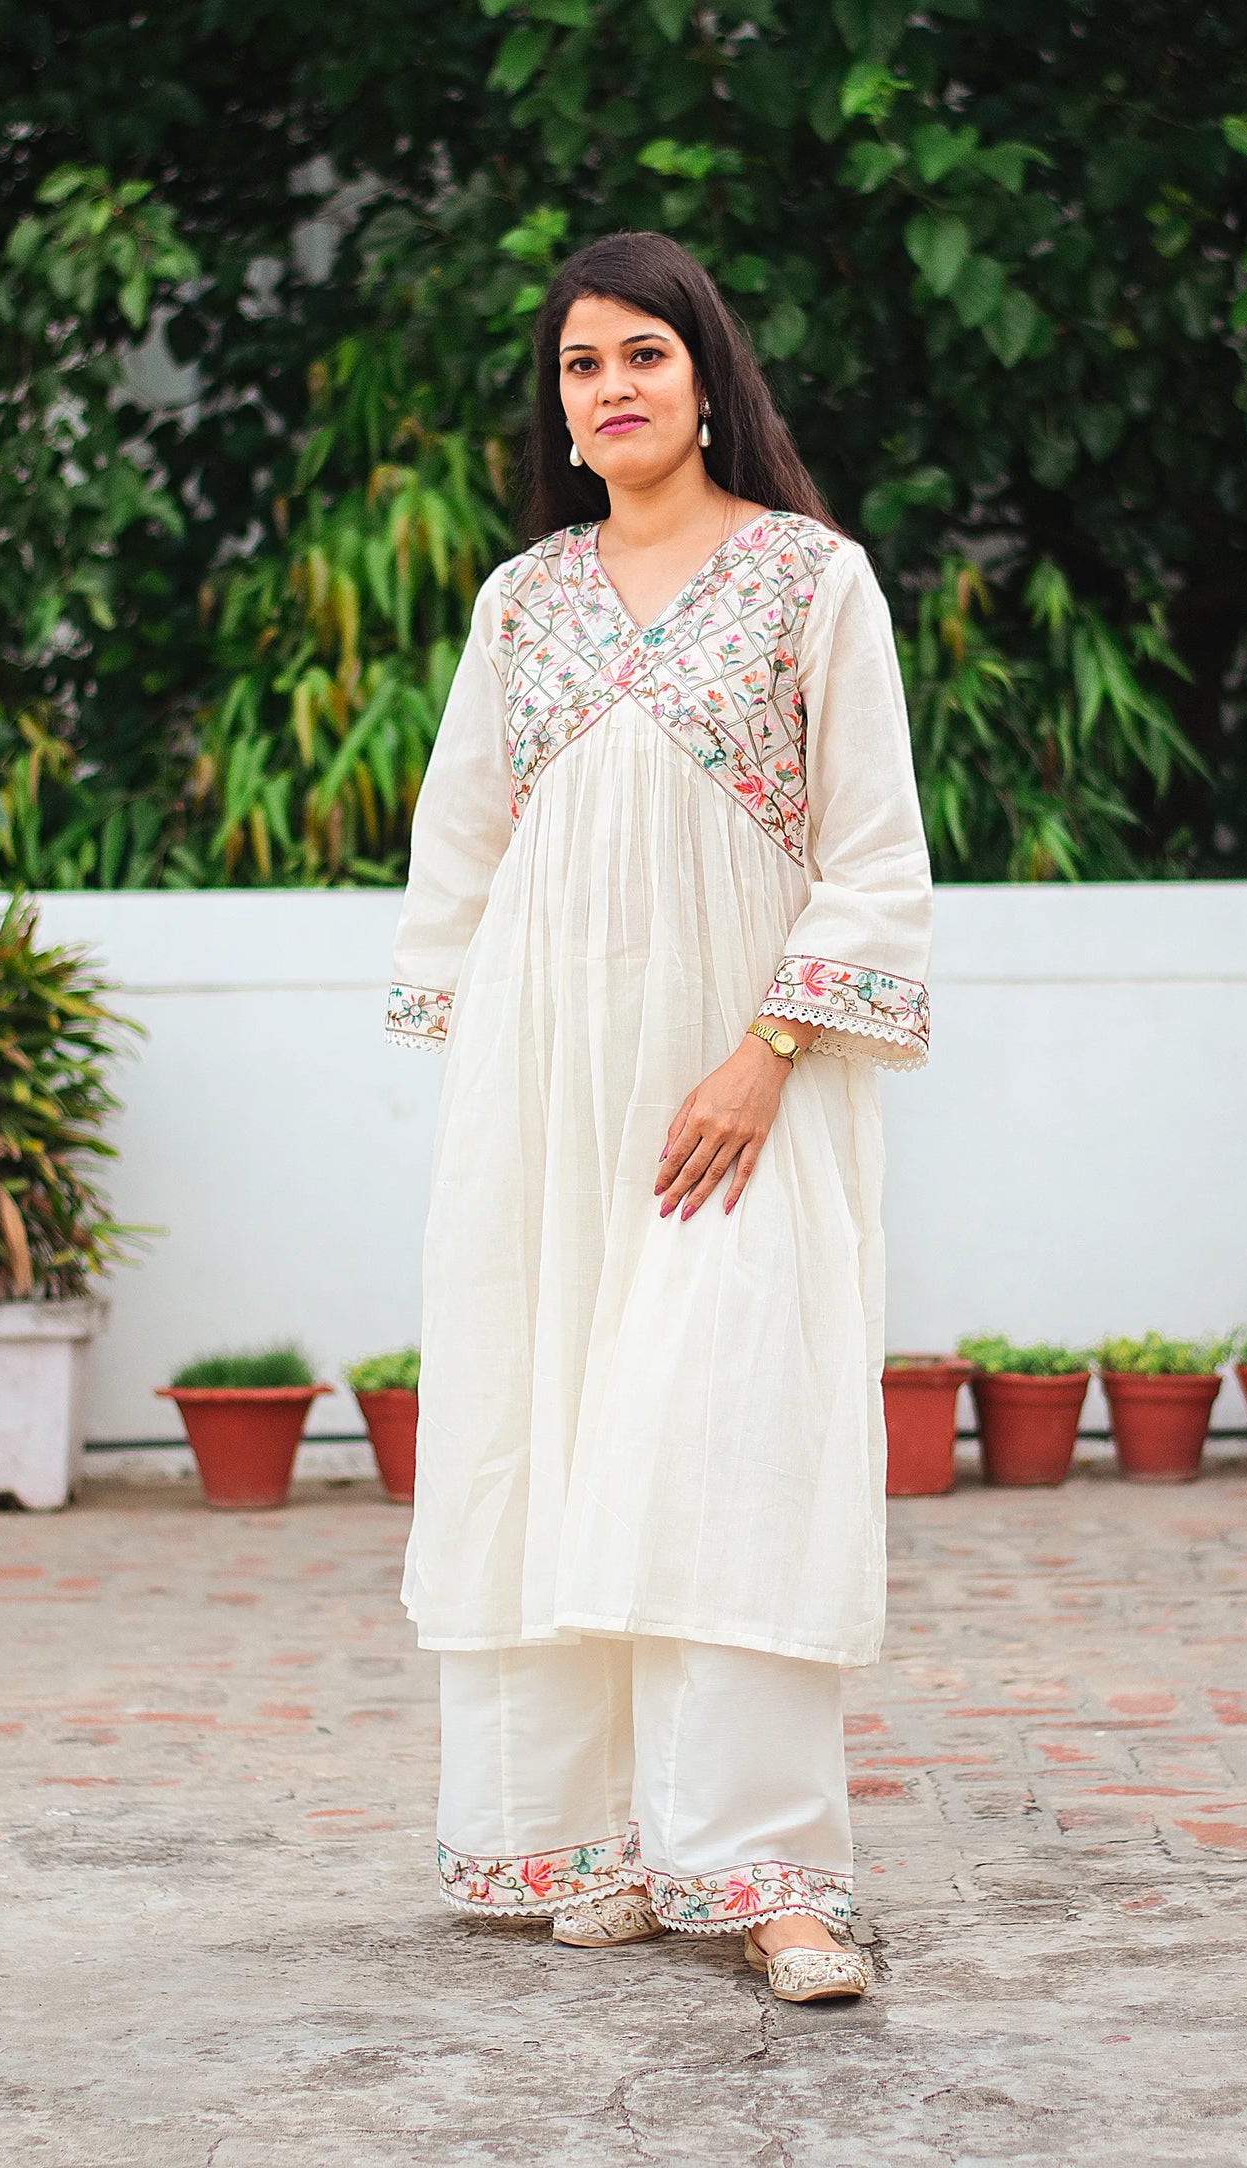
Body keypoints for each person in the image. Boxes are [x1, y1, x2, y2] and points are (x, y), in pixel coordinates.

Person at [386, 231, 932, 2005]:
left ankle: (770, 1877)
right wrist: (482, 1071)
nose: (607, 389)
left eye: (641, 354)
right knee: (553, 1423)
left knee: (728, 1440)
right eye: (576, 365)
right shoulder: (521, 601)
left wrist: (764, 1051)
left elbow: (870, 854)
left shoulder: (805, 582)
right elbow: (458, 850)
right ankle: (597, 1837)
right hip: (547, 1089)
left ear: (707, 377)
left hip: (737, 1091)